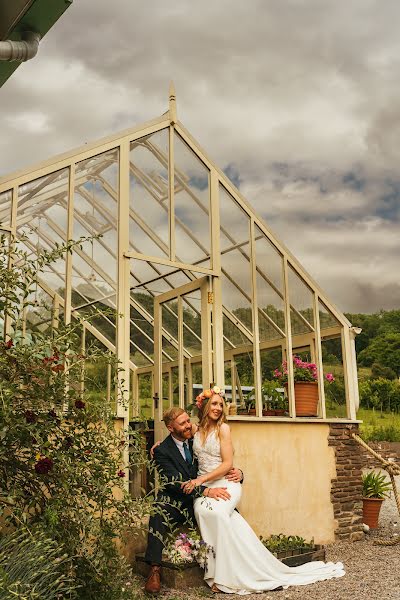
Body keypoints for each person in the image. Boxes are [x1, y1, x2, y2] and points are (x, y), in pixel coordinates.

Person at [181, 387, 345, 594]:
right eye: (214, 403)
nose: (218, 408)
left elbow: (227, 463)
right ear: (204, 406)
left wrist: (199, 480)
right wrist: (159, 445)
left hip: (225, 482)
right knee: (204, 512)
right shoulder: (196, 430)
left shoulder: (223, 429)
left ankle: (222, 578)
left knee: (218, 514)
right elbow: (178, 440)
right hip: (205, 488)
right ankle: (225, 569)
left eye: (221, 405)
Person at [144, 406, 243, 594]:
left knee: (228, 511)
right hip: (176, 499)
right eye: (183, 424)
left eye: (188, 420)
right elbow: (175, 482)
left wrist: (238, 473)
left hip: (201, 494)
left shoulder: (196, 438)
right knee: (157, 510)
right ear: (171, 428)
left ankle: (235, 561)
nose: (188, 426)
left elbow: (215, 462)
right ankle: (154, 569)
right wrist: (205, 491)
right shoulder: (161, 451)